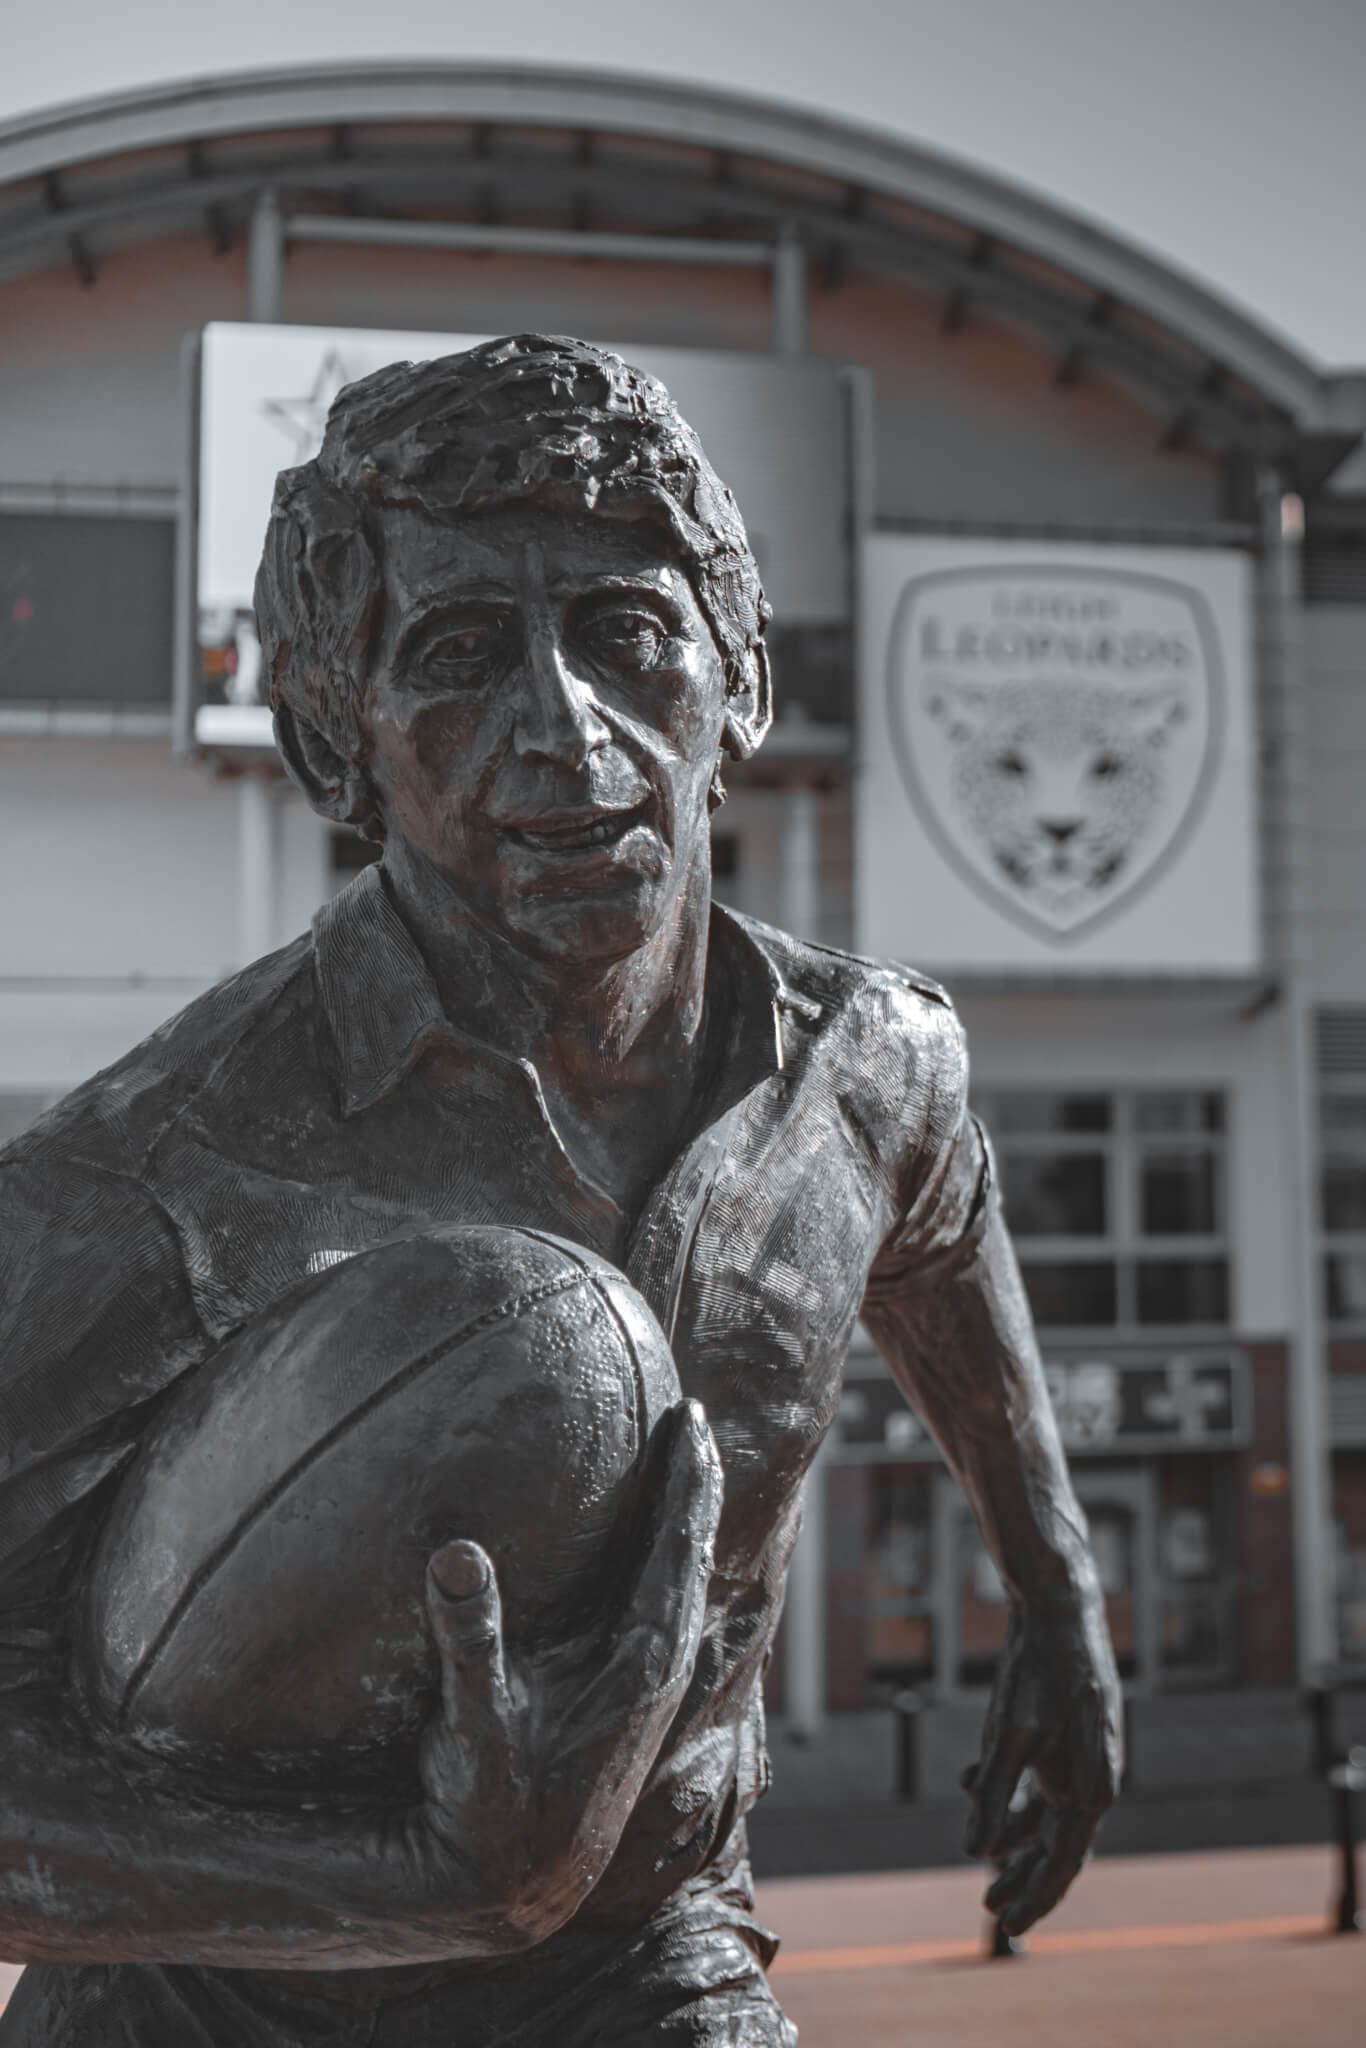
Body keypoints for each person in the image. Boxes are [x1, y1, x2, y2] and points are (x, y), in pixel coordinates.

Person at [0, 334, 1121, 2045]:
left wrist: (1055, 1595)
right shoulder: (150, 1177)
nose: (562, 727)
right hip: (208, 2000)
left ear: (736, 681)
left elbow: (940, 1225)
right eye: (456, 654)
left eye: (625, 635)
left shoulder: (867, 1064)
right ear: (334, 748)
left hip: (647, 1957)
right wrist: (406, 1884)